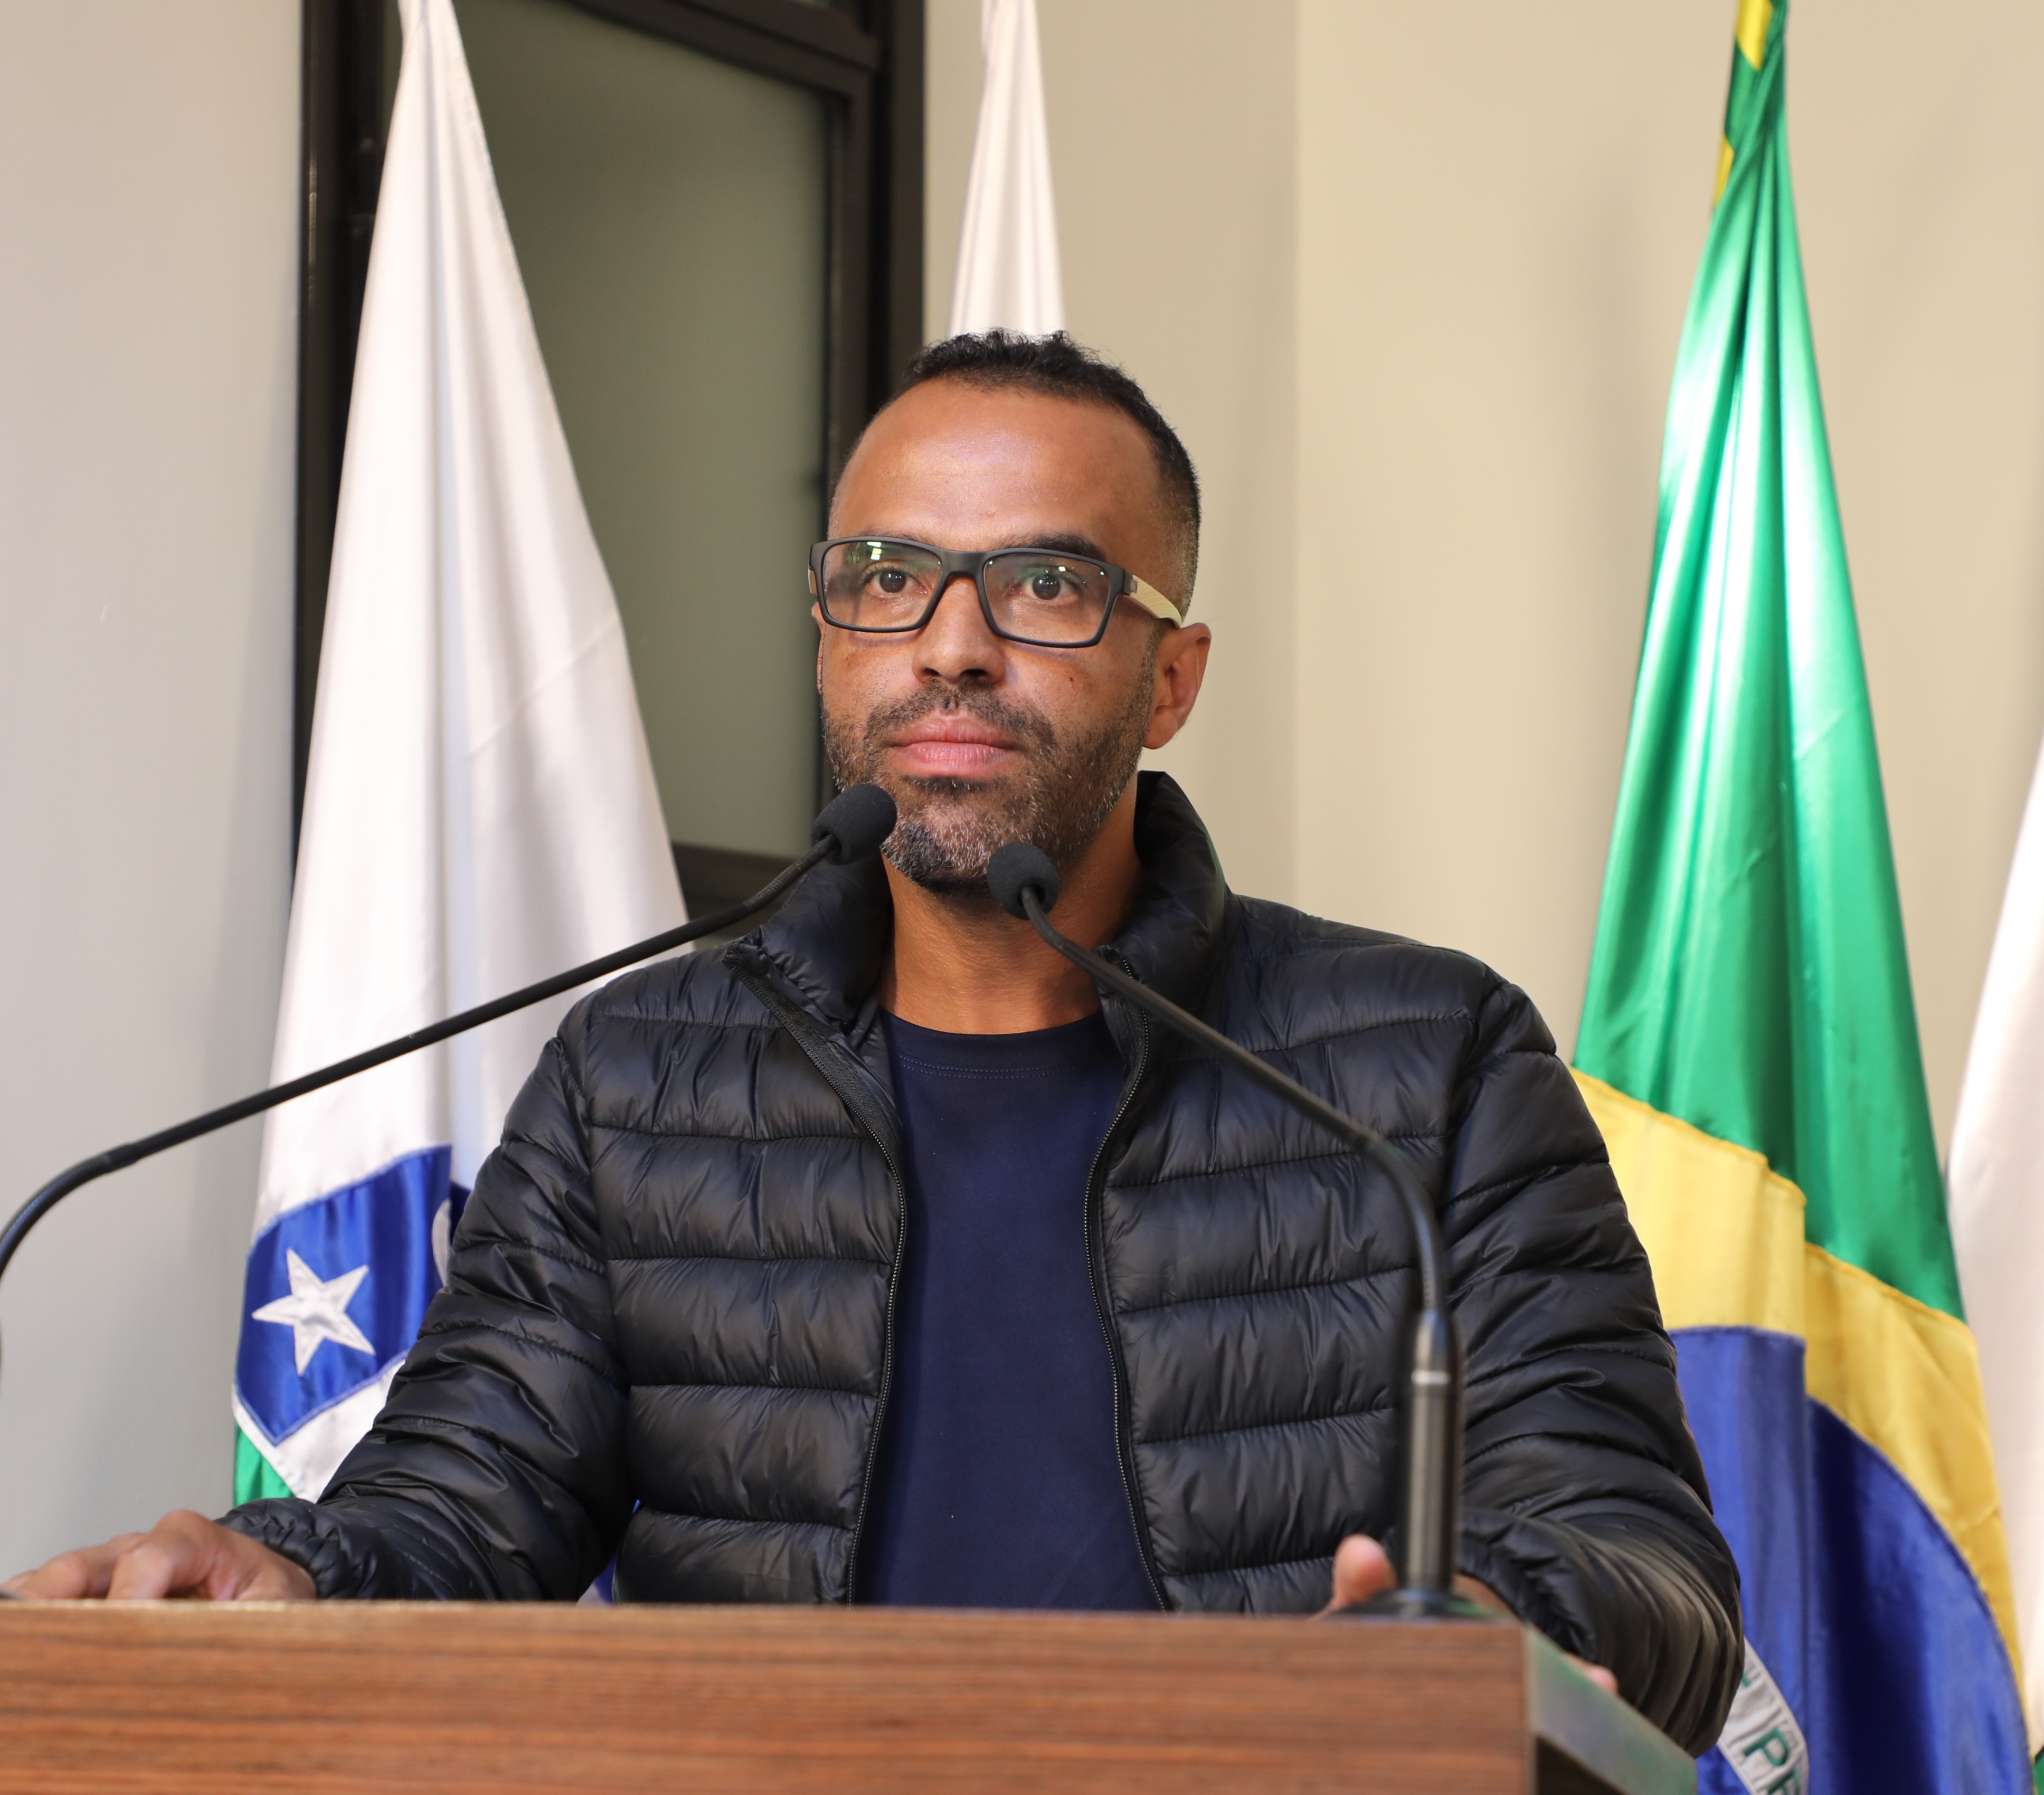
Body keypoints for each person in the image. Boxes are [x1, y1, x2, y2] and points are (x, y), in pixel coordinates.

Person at [7, 331, 1742, 1753]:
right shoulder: (641, 1079)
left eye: (1048, 583)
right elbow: (460, 1510)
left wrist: (1497, 1622)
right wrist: (290, 1573)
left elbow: (1642, 1557)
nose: (953, 648)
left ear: (1173, 675)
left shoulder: (1425, 1069)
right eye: (890, 578)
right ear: (831, 633)